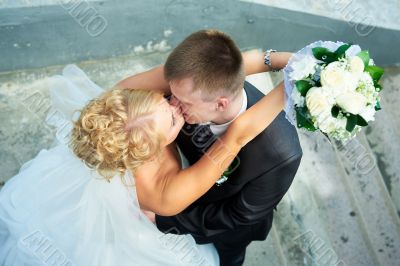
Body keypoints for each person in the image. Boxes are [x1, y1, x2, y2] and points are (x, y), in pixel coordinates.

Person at [0, 35, 290, 265]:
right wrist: (296, 80)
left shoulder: (125, 98)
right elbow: (240, 134)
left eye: (165, 101)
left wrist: (282, 60)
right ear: (153, 150)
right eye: (174, 118)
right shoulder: (164, 196)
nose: (176, 104)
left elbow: (202, 75)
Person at [117, 29, 303, 266]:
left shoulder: (281, 154)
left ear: (220, 103)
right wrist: (286, 65)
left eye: (182, 103)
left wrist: (164, 221)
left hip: (224, 229)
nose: (170, 104)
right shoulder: (181, 91)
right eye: (171, 94)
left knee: (230, 258)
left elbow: (238, 215)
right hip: (171, 192)